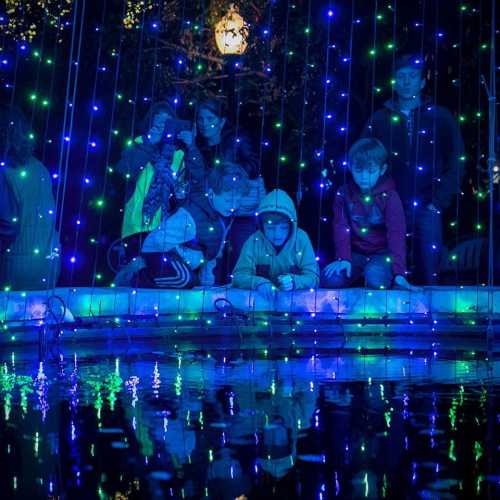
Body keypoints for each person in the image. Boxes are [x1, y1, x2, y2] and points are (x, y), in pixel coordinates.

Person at [362, 53, 465, 284]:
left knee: (430, 267)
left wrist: (439, 201)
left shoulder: (440, 117)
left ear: (422, 81)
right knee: (386, 268)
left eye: (412, 76)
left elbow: (456, 159)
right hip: (389, 202)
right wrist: (375, 195)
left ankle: (430, 317)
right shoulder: (379, 119)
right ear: (394, 81)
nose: (406, 81)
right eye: (401, 76)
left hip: (428, 203)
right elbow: (362, 156)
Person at [322, 138, 419, 291]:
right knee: (331, 280)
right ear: (350, 167)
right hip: (355, 253)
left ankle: (377, 274)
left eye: (370, 171)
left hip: (382, 254)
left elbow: (396, 234)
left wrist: (399, 273)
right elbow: (340, 227)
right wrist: (343, 258)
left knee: (376, 280)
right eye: (359, 171)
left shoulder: (390, 197)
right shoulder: (343, 193)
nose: (364, 177)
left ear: (382, 169)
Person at [133, 162, 250, 288]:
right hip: (158, 254)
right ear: (211, 194)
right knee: (185, 279)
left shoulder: (224, 217)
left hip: (185, 263)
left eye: (237, 201)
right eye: (228, 200)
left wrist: (207, 285)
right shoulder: (190, 215)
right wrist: (180, 255)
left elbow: (212, 253)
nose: (233, 206)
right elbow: (158, 240)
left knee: (193, 281)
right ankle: (140, 277)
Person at [184, 98, 264, 281]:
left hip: (240, 208)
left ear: (221, 121)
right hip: (212, 210)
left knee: (240, 253)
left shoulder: (236, 138)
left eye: (210, 119)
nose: (205, 124)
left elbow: (254, 165)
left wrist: (227, 174)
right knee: (211, 257)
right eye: (201, 119)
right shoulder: (198, 145)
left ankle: (241, 296)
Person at [115, 101, 194, 261]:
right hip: (135, 225)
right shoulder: (138, 144)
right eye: (158, 121)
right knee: (134, 273)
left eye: (167, 123)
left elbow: (185, 189)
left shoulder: (178, 155)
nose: (163, 126)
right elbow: (123, 173)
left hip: (164, 228)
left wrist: (192, 147)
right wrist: (149, 143)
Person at [0, 106, 60, 290]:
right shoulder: (40, 167)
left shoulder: (5, 171)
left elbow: (7, 225)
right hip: (49, 261)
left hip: (13, 263)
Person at [232, 189, 319, 299]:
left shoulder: (301, 239)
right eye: (270, 228)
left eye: (283, 228)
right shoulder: (254, 241)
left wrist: (295, 282)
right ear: (261, 226)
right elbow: (238, 276)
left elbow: (314, 277)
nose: (277, 234)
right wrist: (258, 282)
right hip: (260, 304)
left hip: (296, 303)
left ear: (292, 225)